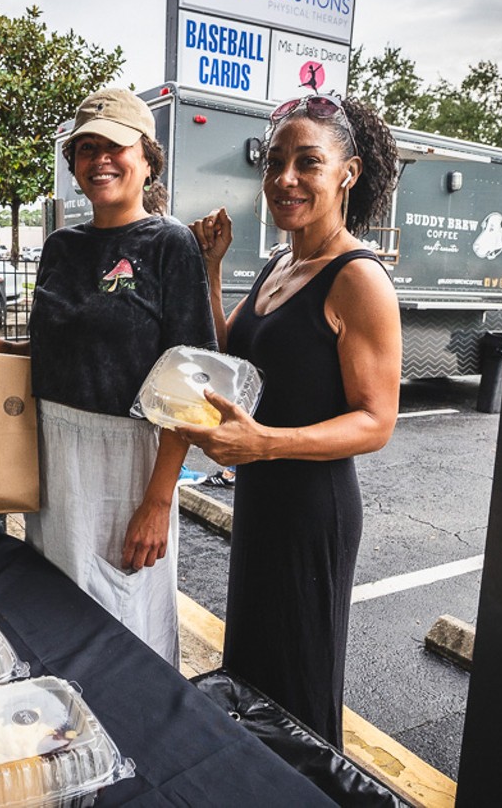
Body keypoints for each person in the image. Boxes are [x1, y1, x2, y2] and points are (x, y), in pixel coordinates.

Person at [0, 88, 216, 666]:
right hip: (52, 448)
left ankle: (134, 729)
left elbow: (188, 382)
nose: (99, 159)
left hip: (127, 461)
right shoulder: (61, 246)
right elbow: (61, 347)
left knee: (123, 608)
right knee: (58, 600)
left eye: (114, 145)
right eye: (86, 148)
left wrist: (159, 501)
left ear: (147, 158)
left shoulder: (170, 245)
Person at [180, 92, 402, 747]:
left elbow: (376, 422)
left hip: (313, 507)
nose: (285, 179)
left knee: (299, 682)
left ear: (348, 174)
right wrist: (213, 271)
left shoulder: (357, 279)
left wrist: (265, 441)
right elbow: (233, 364)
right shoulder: (282, 263)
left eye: (308, 162)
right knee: (254, 675)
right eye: (275, 162)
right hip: (263, 496)